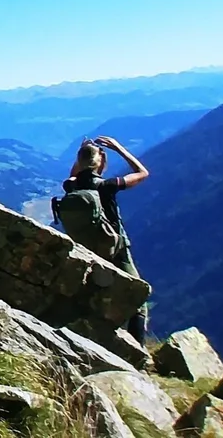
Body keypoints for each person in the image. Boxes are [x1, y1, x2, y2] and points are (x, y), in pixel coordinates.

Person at [63, 136, 150, 340]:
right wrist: (120, 148)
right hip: (117, 250)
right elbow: (143, 173)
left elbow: (75, 173)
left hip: (88, 250)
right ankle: (137, 353)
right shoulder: (108, 185)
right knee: (138, 297)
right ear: (100, 162)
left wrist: (84, 151)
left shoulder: (71, 185)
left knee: (95, 295)